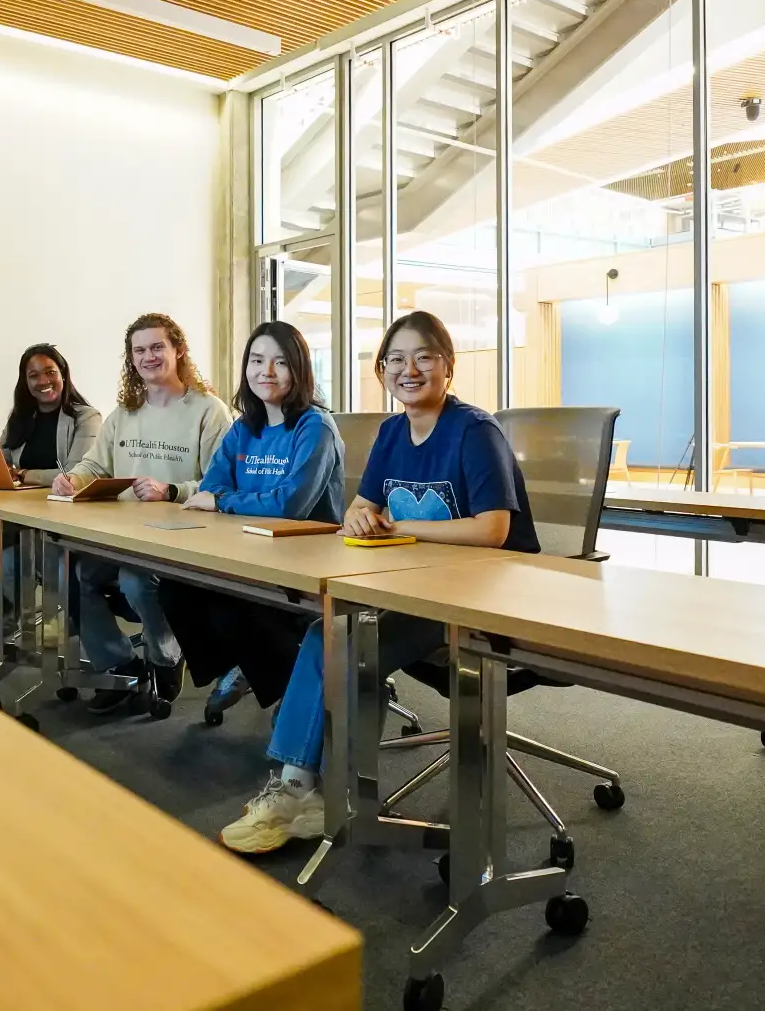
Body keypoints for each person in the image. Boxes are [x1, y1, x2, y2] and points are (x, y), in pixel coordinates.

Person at [218, 310, 541, 854]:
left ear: (448, 366)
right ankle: (300, 790)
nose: (408, 369)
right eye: (395, 359)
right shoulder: (392, 432)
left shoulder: (474, 431)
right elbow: (360, 509)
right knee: (332, 633)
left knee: (342, 643)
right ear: (382, 371)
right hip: (414, 585)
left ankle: (307, 791)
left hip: (486, 598)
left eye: (423, 357)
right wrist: (363, 518)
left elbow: (494, 529)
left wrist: (399, 524)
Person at [51, 313, 231, 714]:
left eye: (157, 347)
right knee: (69, 572)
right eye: (139, 350)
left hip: (182, 540)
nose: (148, 357)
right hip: (123, 538)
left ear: (178, 350)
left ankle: (166, 657)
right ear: (131, 359)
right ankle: (118, 665)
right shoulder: (124, 413)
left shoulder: (208, 410)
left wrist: (172, 490)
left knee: (135, 581)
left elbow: (221, 485)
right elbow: (96, 466)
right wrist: (73, 480)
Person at [166, 320, 344, 719]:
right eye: (257, 360)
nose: (267, 371)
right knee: (176, 588)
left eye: (280, 362)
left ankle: (292, 699)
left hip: (305, 559)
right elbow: (210, 486)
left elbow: (290, 505)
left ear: (299, 370)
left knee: (233, 607)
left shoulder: (315, 426)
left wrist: (226, 501)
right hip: (247, 551)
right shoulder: (245, 427)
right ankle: (248, 667)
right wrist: (224, 498)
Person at [0, 344, 101, 672]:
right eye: (33, 375)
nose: (42, 381)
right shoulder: (22, 416)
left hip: (62, 513)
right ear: (25, 381)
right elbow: (0, 458)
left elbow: (78, 471)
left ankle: (11, 632)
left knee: (1, 552)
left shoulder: (85, 417)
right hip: (20, 508)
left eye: (50, 372)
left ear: (63, 375)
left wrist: (23, 474)